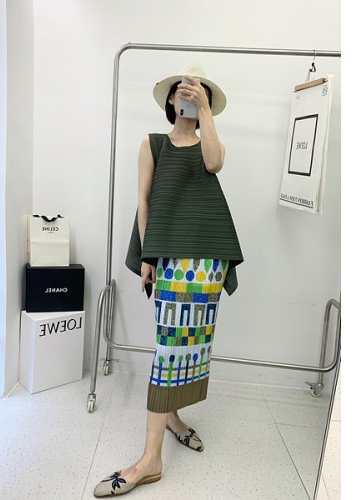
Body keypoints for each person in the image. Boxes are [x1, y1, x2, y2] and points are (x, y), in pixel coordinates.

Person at [94, 62, 244, 497]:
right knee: (168, 349)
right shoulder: (153, 143)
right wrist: (147, 256)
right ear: (170, 100)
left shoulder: (209, 143)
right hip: (171, 260)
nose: (189, 96)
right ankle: (150, 459)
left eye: (198, 93)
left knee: (191, 345)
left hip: (208, 263)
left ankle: (173, 419)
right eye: (183, 90)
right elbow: (144, 201)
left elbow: (214, 162)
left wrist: (206, 113)